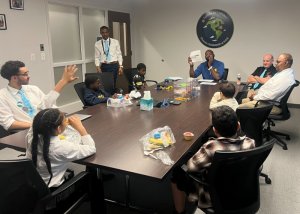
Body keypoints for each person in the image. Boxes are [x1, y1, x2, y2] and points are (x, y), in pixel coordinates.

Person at [171, 106, 255, 213]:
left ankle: (179, 212)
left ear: (214, 130)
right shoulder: (250, 142)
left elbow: (191, 168)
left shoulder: (211, 148)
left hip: (214, 198)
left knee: (178, 173)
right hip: (242, 192)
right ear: (238, 125)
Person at [26, 108, 96, 188]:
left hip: (32, 184)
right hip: (53, 190)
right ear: (58, 129)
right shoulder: (61, 147)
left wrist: (63, 124)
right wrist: (80, 127)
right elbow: (91, 148)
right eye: (64, 120)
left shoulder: (31, 136)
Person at [0, 61, 78, 131]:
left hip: (47, 128)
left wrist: (62, 118)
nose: (28, 76)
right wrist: (37, 126)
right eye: (25, 74)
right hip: (27, 132)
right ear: (14, 78)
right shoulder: (2, 96)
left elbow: (46, 106)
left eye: (28, 73)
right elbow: (9, 124)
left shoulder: (33, 89)